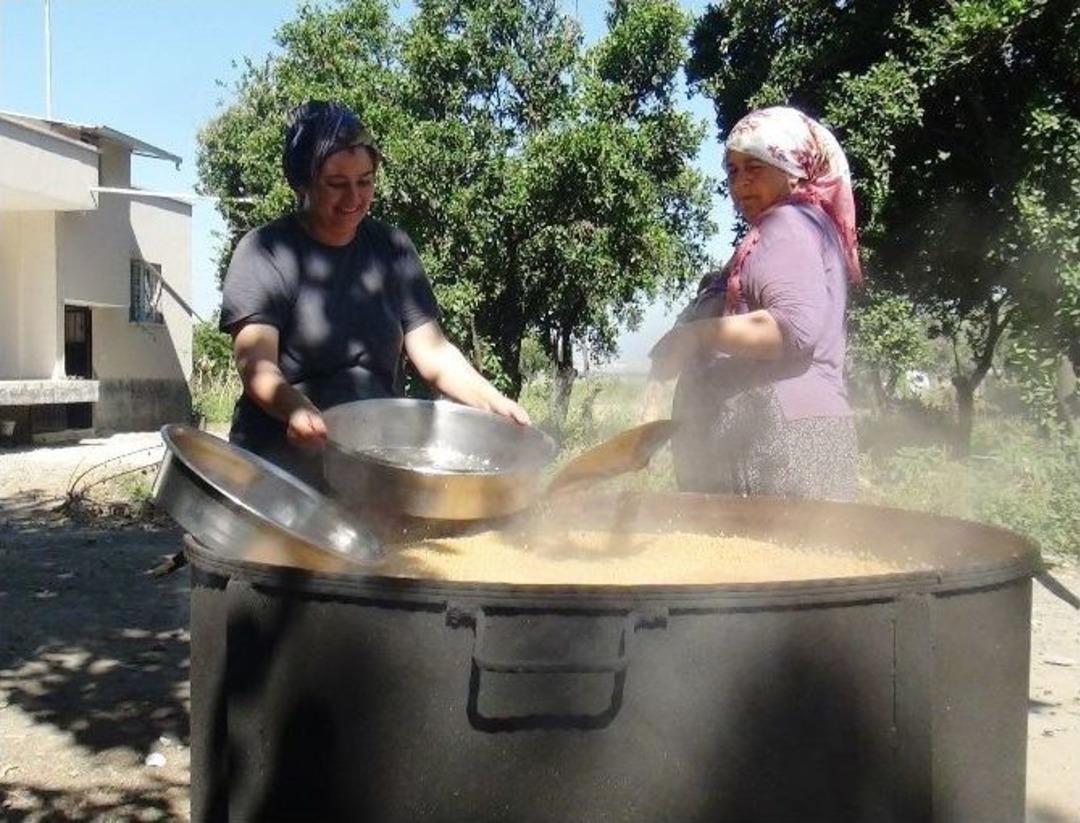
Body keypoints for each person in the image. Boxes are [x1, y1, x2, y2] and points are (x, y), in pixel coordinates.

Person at [219, 100, 529, 485]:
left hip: (368, 464)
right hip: (277, 468)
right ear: (302, 183)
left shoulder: (392, 249)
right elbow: (256, 364)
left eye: (364, 181)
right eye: (336, 184)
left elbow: (432, 352)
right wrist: (295, 408)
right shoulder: (266, 251)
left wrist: (492, 402)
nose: (353, 199)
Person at [646, 106, 861, 501]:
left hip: (784, 442)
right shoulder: (800, 227)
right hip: (786, 433)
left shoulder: (789, 225)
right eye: (732, 171)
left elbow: (791, 330)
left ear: (792, 167)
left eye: (755, 167)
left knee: (785, 559)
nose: (740, 183)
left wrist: (694, 337)